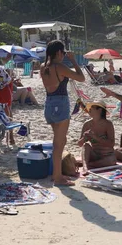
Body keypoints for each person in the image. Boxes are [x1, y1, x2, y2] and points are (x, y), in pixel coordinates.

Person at [40, 40, 85, 186]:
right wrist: (73, 60)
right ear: (59, 53)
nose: (64, 55)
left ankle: (57, 173)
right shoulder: (59, 67)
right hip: (60, 103)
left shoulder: (43, 67)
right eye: (63, 53)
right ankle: (57, 176)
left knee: (60, 140)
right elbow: (81, 78)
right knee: (59, 143)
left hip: (49, 104)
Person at [78, 102, 117, 169]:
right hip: (94, 154)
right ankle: (85, 166)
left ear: (100, 110)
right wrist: (84, 138)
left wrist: (95, 137)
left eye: (92, 108)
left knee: (111, 161)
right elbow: (79, 144)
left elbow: (111, 144)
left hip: (107, 155)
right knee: (86, 146)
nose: (89, 110)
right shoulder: (87, 124)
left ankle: (89, 164)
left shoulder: (108, 124)